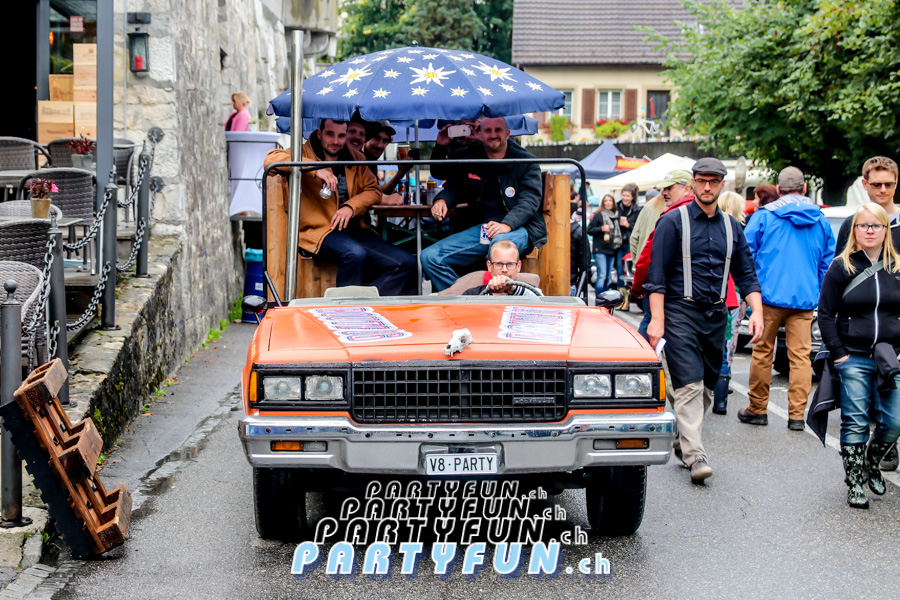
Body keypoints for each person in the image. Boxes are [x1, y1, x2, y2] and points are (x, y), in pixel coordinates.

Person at [645, 157, 764, 483]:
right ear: (693, 184)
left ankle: (684, 440)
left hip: (716, 315)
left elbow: (746, 274)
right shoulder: (672, 222)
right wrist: (657, 320)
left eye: (713, 181)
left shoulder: (732, 226)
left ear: (722, 185)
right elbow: (656, 277)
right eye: (701, 181)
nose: (707, 187)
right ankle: (696, 456)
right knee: (689, 385)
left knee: (709, 387)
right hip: (679, 313)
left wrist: (757, 312)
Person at [263, 119, 417, 296]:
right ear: (320, 134)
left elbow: (374, 190)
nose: (336, 141)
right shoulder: (304, 152)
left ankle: (365, 303)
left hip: (354, 230)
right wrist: (314, 168)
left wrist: (350, 207)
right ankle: (345, 307)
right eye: (330, 134)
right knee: (354, 254)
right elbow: (270, 160)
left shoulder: (356, 158)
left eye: (341, 136)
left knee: (406, 263)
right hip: (318, 232)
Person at [738, 167, 836, 429]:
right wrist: (816, 290)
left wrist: (750, 290)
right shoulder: (820, 220)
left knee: (762, 353)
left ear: (779, 190)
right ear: (804, 189)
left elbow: (745, 255)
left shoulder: (764, 216)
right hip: (804, 299)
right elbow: (827, 263)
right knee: (801, 357)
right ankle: (796, 416)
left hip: (767, 298)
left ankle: (757, 408)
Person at [817, 203, 900, 508]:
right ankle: (854, 482)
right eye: (863, 225)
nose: (869, 231)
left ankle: (872, 464)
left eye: (876, 225)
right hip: (852, 357)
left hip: (890, 357)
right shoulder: (842, 267)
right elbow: (825, 313)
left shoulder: (897, 267)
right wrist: (839, 354)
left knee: (895, 421)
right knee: (855, 421)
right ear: (854, 231)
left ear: (885, 230)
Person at [422, 117, 546, 292]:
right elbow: (455, 187)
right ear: (480, 134)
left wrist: (507, 224)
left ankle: (488, 297)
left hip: (521, 227)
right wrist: (442, 200)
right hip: (483, 229)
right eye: (488, 130)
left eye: (498, 130)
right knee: (429, 257)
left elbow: (529, 201)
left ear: (508, 134)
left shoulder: (525, 161)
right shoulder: (472, 159)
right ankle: (467, 298)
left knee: (499, 245)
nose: (493, 134)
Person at [834, 157, 900, 472]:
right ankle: (863, 466)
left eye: (889, 184)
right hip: (858, 333)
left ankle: (884, 447)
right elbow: (840, 275)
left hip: (893, 331)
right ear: (865, 185)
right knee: (858, 408)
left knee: (893, 407)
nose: (883, 190)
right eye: (876, 184)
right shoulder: (852, 224)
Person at [629, 169, 693, 339]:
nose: (664, 192)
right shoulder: (700, 212)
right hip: (683, 293)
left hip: (664, 287)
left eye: (669, 188)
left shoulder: (671, 215)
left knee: (651, 324)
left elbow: (641, 247)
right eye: (663, 188)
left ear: (687, 189)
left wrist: (638, 283)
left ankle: (643, 356)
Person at [712, 191, 747, 415]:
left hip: (712, 292)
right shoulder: (738, 230)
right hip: (731, 294)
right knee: (724, 345)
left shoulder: (714, 229)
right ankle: (721, 402)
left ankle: (709, 392)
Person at [462, 239, 541, 296]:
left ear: (518, 266)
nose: (504, 270)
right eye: (499, 264)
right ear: (489, 266)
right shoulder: (471, 295)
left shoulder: (532, 292)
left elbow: (543, 303)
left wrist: (511, 288)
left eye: (510, 264)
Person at [588, 194, 622, 300]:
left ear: (613, 203)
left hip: (611, 249)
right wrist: (601, 228)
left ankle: (605, 299)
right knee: (602, 275)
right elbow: (589, 230)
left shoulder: (616, 216)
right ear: (603, 203)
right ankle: (599, 299)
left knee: (607, 276)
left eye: (610, 200)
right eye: (606, 201)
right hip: (600, 249)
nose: (608, 203)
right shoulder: (598, 215)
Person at [616, 183, 641, 310]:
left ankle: (627, 302)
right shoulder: (616, 207)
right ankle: (621, 301)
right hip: (618, 244)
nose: (625, 198)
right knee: (620, 271)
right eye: (623, 195)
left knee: (629, 273)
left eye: (627, 196)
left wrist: (628, 225)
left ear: (632, 197)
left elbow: (638, 229)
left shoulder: (637, 210)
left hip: (630, 245)